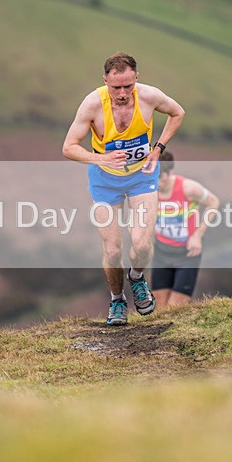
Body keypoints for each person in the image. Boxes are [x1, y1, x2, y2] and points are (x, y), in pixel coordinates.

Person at [62, 52, 185, 326]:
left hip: (142, 177)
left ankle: (137, 278)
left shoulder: (150, 96)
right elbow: (68, 147)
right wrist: (101, 158)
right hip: (104, 181)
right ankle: (117, 299)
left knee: (142, 244)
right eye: (116, 87)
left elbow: (178, 113)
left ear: (136, 79)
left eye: (128, 86)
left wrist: (158, 149)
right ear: (105, 81)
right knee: (114, 249)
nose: (122, 93)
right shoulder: (93, 104)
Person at [152, 151, 220, 308]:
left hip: (187, 254)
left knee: (175, 308)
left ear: (169, 172)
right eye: (153, 177)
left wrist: (198, 235)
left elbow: (213, 202)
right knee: (159, 309)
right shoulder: (149, 189)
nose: (157, 182)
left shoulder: (188, 188)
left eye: (160, 177)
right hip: (161, 252)